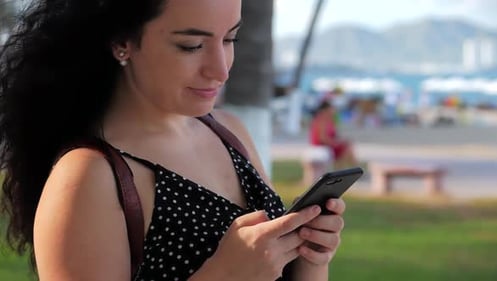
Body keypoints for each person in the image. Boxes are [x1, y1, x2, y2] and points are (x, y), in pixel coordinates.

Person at [0, 0, 346, 280]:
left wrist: (310, 258)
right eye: (191, 45)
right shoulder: (89, 175)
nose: (221, 69)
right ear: (122, 42)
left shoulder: (229, 132)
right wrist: (224, 274)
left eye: (229, 39)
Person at [309, 101, 357, 169]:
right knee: (346, 148)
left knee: (347, 146)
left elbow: (334, 135)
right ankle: (348, 169)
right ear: (325, 110)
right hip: (322, 146)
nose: (333, 111)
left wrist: (341, 140)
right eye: (331, 109)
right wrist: (336, 143)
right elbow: (323, 139)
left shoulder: (329, 120)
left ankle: (345, 169)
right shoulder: (321, 120)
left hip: (329, 145)